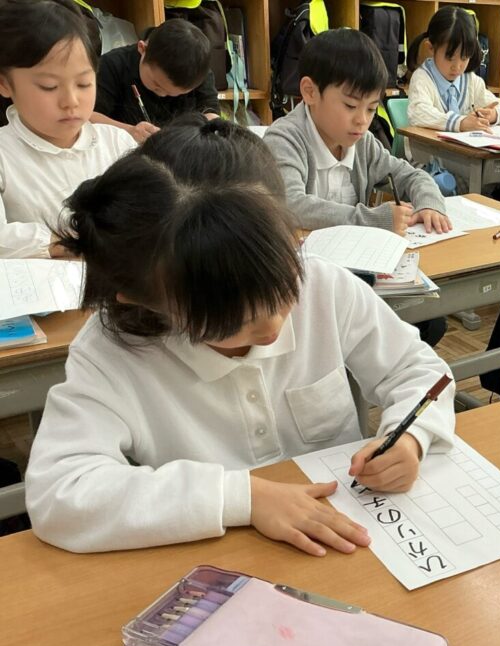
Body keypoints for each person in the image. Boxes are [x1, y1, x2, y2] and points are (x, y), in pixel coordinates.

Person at [25, 128, 456, 556]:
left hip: (352, 533)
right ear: (144, 298)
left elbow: (417, 371)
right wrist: (242, 498)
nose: (272, 327)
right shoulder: (112, 352)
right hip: (218, 557)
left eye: (284, 289)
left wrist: (410, 437)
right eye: (233, 320)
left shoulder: (323, 286)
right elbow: (60, 491)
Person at [265, 28, 449, 237]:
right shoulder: (284, 140)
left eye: (371, 109)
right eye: (350, 106)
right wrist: (372, 220)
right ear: (310, 92)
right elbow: (290, 206)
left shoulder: (363, 143)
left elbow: (411, 175)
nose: (362, 120)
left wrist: (429, 203)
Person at [0, 0, 134, 259]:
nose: (71, 101)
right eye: (49, 87)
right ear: (5, 84)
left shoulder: (118, 145)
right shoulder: (4, 155)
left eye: (84, 84)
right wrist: (65, 243)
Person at [407, 6, 500, 203]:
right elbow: (418, 112)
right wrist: (460, 123)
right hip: (429, 162)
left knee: (499, 177)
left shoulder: (471, 80)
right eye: (450, 57)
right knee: (454, 184)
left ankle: (492, 218)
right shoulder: (422, 78)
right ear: (431, 48)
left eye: (464, 57)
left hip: (464, 161)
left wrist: (494, 115)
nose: (457, 66)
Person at [92, 19, 219, 143]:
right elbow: (89, 116)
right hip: (122, 148)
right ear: (142, 49)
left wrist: (210, 131)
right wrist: (129, 131)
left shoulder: (197, 72)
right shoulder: (112, 66)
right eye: (157, 85)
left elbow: (211, 114)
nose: (162, 94)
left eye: (175, 94)